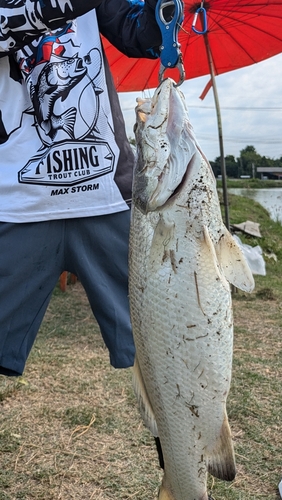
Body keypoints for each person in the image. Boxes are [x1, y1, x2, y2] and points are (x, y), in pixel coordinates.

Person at [0, 0, 162, 377]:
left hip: (108, 196)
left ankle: (179, 433)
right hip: (16, 203)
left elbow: (139, 35)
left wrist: (162, 13)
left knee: (160, 345)